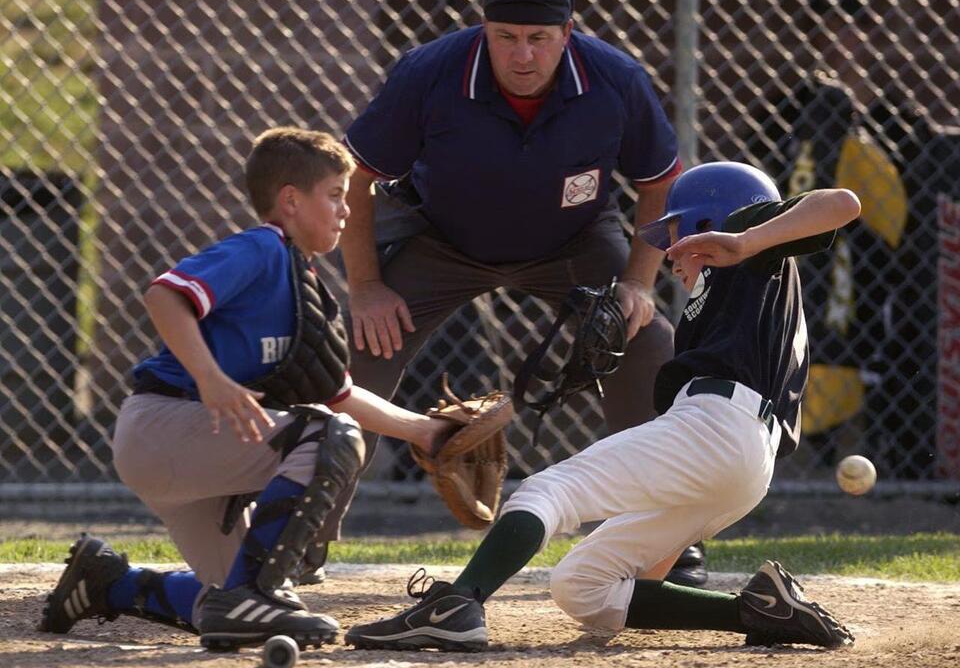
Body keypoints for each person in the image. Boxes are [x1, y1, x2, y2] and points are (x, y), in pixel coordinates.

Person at [343, 162, 860, 651]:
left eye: (677, 235)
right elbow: (653, 555)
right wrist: (642, 588)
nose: (671, 254)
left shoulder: (754, 246)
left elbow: (842, 202)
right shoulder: (736, 294)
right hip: (741, 462)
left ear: (714, 220)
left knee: (547, 489)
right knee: (582, 587)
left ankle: (457, 605)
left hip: (720, 426)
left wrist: (744, 238)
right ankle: (758, 612)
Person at [36, 128, 481, 649]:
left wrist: (426, 432)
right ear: (290, 200)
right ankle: (257, 591)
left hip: (202, 445)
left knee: (229, 605)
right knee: (330, 438)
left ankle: (108, 582)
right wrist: (211, 377)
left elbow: (338, 394)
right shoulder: (261, 249)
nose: (346, 210)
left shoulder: (302, 287)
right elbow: (164, 295)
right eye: (335, 195)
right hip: (166, 425)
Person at [339, 0, 704, 584]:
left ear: (568, 33)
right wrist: (367, 288)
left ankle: (665, 540)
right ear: (483, 30)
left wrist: (639, 283)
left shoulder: (614, 79)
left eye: (539, 38)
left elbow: (659, 184)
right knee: (360, 351)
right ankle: (298, 532)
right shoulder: (431, 73)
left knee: (646, 341)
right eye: (505, 36)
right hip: (442, 238)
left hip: (573, 241)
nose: (523, 54)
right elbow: (356, 178)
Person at [746, 0, 949, 478]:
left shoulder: (895, 118)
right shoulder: (789, 111)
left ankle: (855, 451)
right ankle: (797, 460)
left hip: (877, 262)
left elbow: (909, 206)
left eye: (850, 33)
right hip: (809, 254)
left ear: (868, 40)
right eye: (827, 34)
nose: (840, 45)